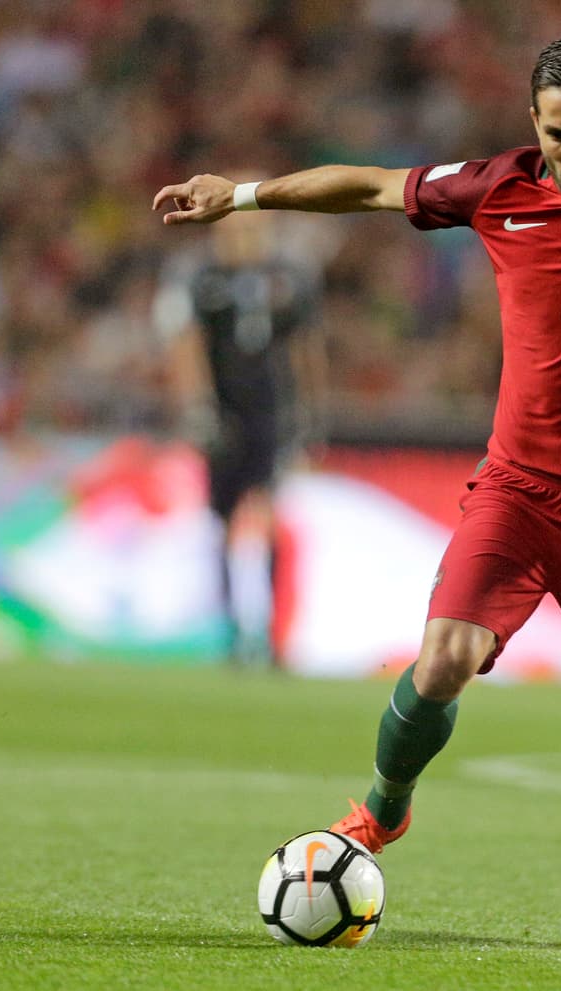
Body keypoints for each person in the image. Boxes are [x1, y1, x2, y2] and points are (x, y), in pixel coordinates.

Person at [153, 34, 561, 952]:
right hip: (519, 491)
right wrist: (244, 196)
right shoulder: (497, 187)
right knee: (444, 654)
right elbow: (372, 186)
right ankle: (381, 813)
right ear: (536, 124)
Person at [155, 204, 328, 666]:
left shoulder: (288, 277)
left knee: (270, 513)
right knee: (225, 519)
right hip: (225, 413)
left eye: (255, 224)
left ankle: (273, 636)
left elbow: (303, 346)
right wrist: (198, 406)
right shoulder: (199, 276)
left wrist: (309, 410)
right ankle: (232, 630)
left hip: (271, 412)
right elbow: (186, 343)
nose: (247, 234)